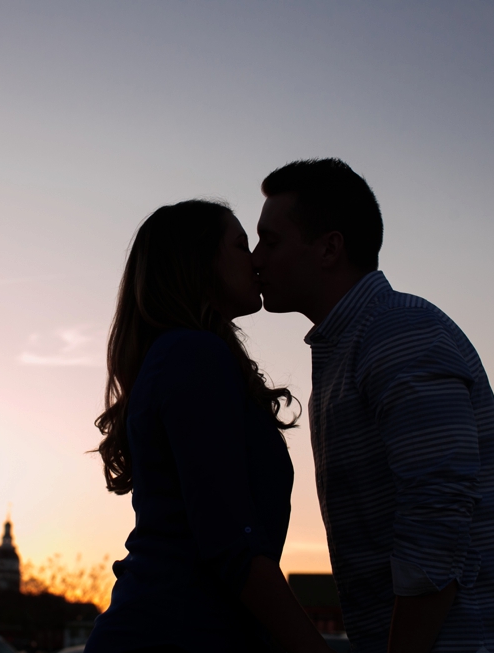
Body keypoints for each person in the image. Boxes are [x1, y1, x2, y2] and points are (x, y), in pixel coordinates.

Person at [251, 159, 494, 653]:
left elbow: (436, 514)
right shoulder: (353, 342)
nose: (256, 258)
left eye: (271, 240)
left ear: (329, 247)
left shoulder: (397, 331)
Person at [85, 200, 329, 653]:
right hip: (174, 634)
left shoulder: (185, 356)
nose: (256, 259)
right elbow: (232, 542)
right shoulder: (192, 355)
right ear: (198, 263)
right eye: (240, 246)